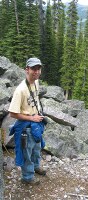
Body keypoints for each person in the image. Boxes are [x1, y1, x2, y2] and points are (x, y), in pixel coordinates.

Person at [8, 57, 46, 185]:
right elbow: (12, 113)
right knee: (26, 153)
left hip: (36, 124)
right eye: (33, 69)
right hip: (26, 126)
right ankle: (27, 178)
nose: (36, 72)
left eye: (38, 69)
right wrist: (32, 118)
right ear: (27, 70)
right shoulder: (20, 90)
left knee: (36, 148)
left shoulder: (36, 82)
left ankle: (35, 167)